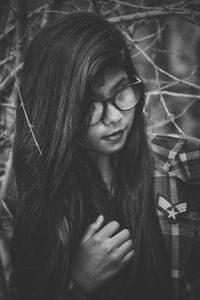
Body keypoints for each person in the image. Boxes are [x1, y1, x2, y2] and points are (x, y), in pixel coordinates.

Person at [6, 11, 200, 300]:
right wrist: (77, 286)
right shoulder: (22, 204)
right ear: (56, 111)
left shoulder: (186, 164)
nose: (114, 118)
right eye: (89, 105)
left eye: (121, 91)